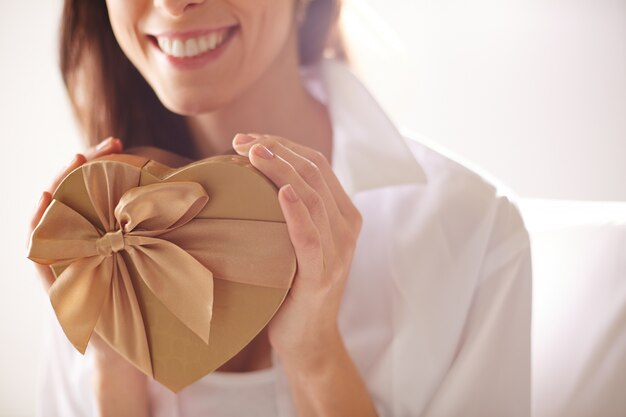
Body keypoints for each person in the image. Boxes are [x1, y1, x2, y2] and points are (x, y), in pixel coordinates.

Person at [27, 0, 532, 416]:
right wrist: (114, 377)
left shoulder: (476, 235)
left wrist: (316, 357)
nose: (173, 4)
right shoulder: (91, 234)